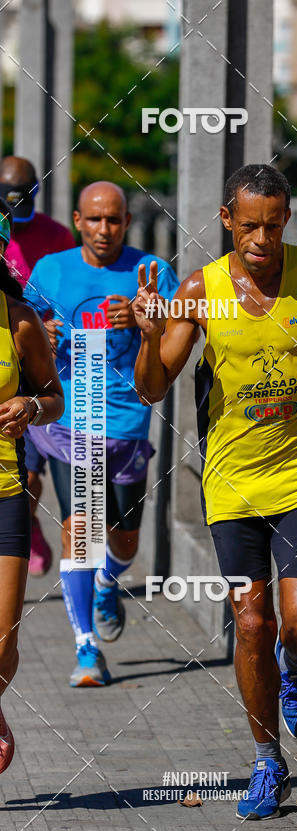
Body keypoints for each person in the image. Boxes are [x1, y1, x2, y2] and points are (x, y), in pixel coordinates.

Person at [133, 164, 297, 819]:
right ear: (227, 220)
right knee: (251, 623)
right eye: (249, 226)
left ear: (287, 220)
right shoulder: (201, 289)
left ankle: (296, 668)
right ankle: (268, 762)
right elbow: (153, 387)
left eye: (273, 227)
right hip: (231, 483)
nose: (261, 240)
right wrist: (150, 337)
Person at [23, 181, 179, 687]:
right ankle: (86, 649)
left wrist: (143, 320)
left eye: (113, 219)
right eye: (94, 219)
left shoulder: (151, 272)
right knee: (82, 529)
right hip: (73, 420)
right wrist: (39, 332)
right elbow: (21, 321)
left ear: (127, 222)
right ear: (77, 221)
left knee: (124, 540)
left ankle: (110, 580)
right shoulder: (51, 270)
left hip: (128, 421)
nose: (104, 229)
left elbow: (179, 338)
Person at [0, 198, 64, 771]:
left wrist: (31, 406)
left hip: (5, 493)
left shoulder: (19, 321)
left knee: (3, 643)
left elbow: (54, 399)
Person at [0, 156, 76, 577]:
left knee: (83, 516)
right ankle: (31, 524)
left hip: (65, 376)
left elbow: (77, 303)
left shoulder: (57, 238)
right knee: (32, 481)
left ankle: (99, 588)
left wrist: (47, 326)